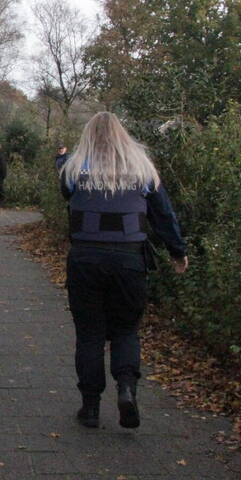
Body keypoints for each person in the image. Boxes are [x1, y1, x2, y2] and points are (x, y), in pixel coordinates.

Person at [60, 112, 188, 430]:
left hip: (86, 260)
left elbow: (67, 194)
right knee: (126, 330)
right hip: (130, 261)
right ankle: (127, 389)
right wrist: (177, 251)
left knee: (89, 334)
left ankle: (90, 408)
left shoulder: (74, 167)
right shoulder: (142, 168)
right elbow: (163, 214)